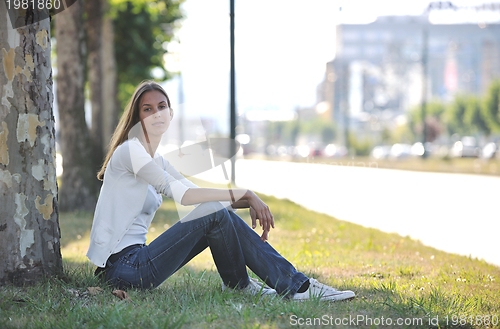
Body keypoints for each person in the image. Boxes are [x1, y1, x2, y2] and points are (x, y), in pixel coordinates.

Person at [86, 80, 355, 301]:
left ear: (170, 114)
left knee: (215, 213)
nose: (156, 113)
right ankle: (296, 286)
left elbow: (193, 192)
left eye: (162, 106)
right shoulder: (131, 151)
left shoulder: (155, 159)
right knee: (212, 211)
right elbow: (184, 196)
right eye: (147, 109)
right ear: (137, 116)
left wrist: (246, 199)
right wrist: (245, 193)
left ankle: (244, 285)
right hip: (124, 267)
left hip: (134, 265)